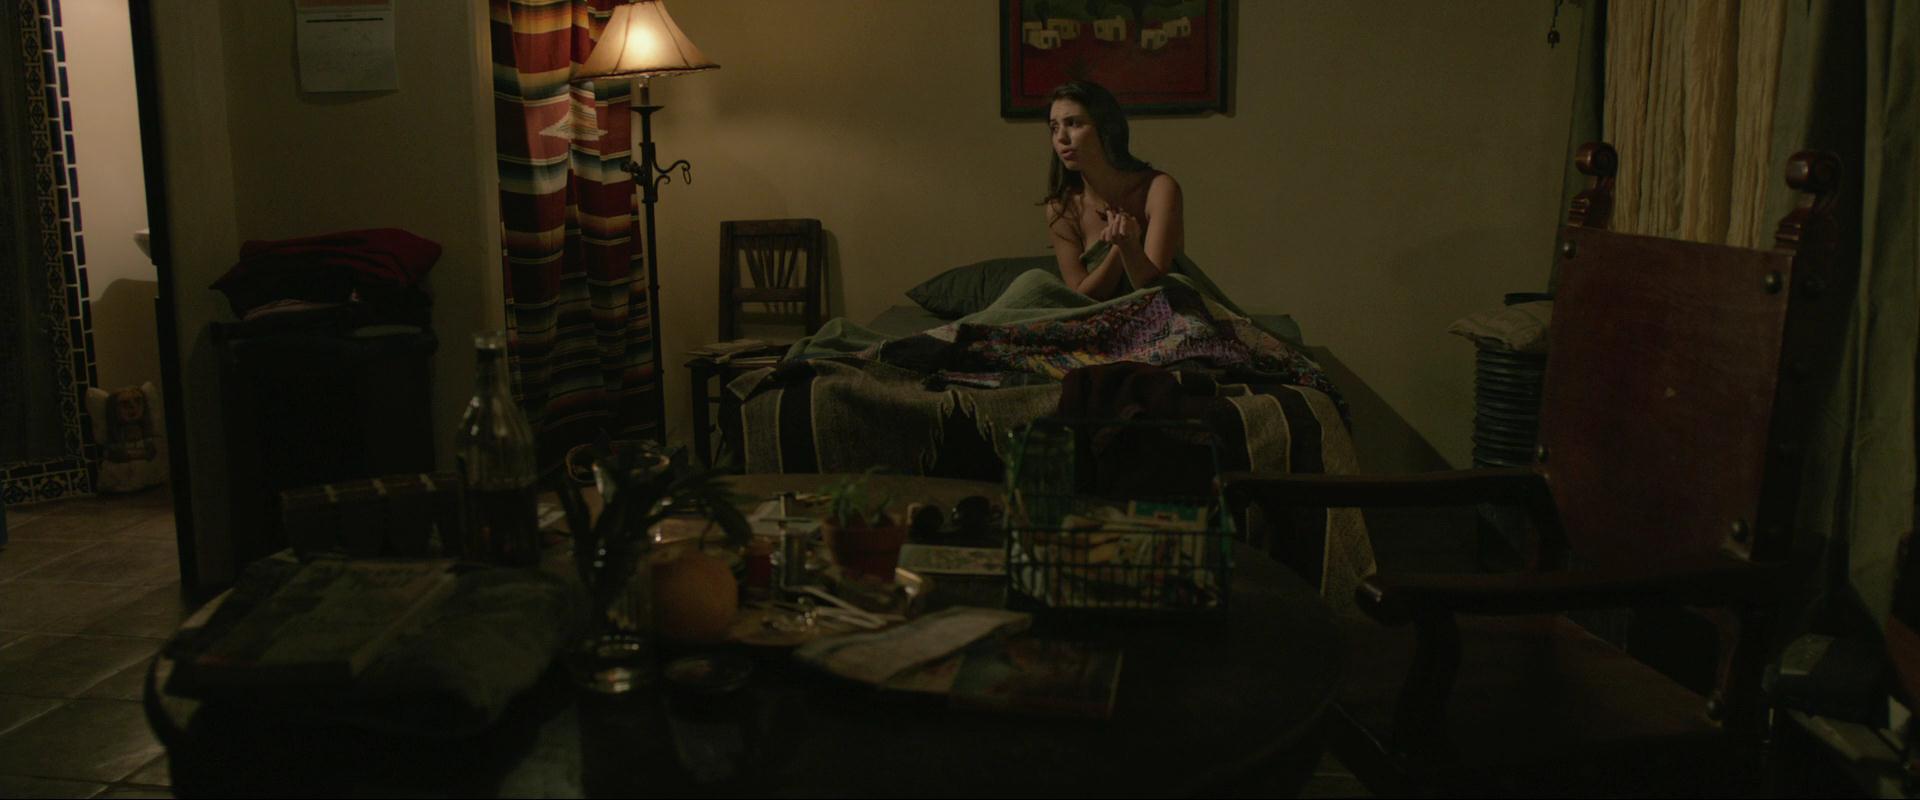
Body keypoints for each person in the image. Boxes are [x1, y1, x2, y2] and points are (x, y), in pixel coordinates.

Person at [1041, 80, 1184, 300]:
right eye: (1054, 127)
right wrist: (1118, 249)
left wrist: (1130, 248)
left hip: (1163, 308)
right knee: (1031, 282)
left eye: (1073, 123)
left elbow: (1154, 290)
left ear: (1105, 127)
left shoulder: (1158, 189)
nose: (1061, 138)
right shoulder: (1063, 208)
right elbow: (1080, 297)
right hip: (1094, 313)